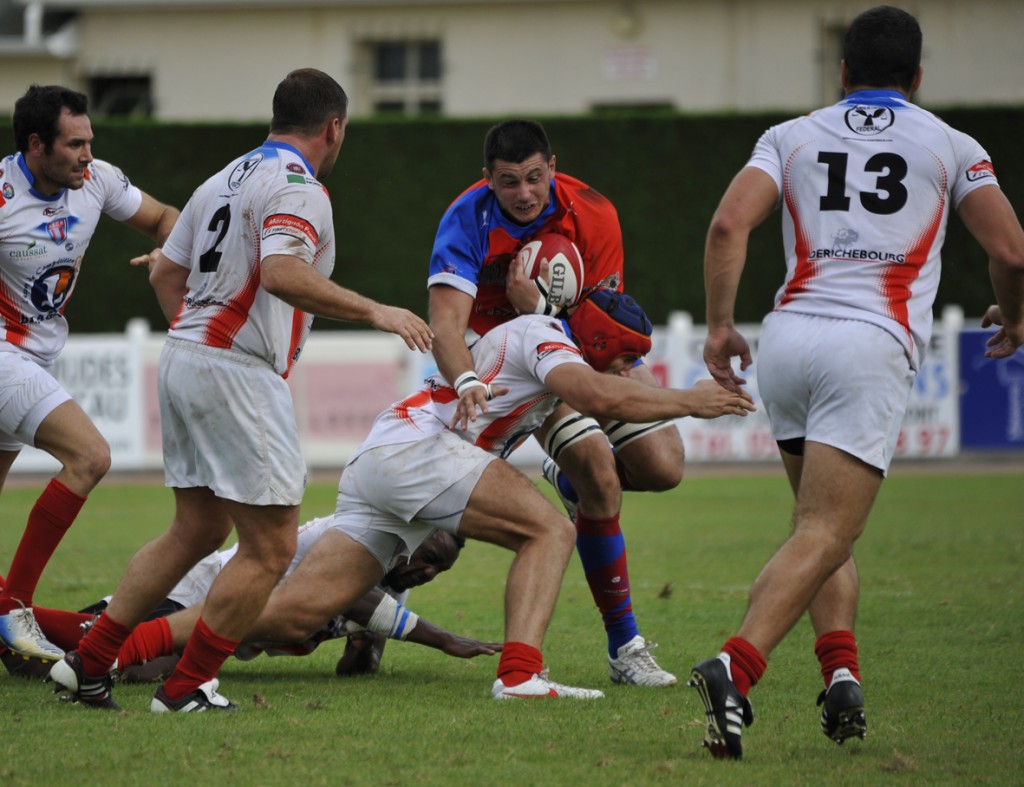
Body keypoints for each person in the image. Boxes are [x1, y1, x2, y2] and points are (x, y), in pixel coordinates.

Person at [688, 5, 1024, 760]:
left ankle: (841, 672)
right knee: (827, 530)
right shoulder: (953, 143)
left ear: (841, 74)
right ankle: (732, 668)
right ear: (918, 77)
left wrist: (718, 325)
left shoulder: (791, 135)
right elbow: (1011, 249)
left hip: (789, 337)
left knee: (816, 525)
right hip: (868, 343)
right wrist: (1018, 315)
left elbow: (724, 226)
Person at [48, 68, 434, 713]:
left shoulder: (224, 175)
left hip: (185, 356)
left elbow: (166, 271)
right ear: (334, 127)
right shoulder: (300, 188)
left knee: (195, 529)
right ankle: (186, 686)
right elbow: (282, 272)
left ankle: (88, 661)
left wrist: (198, 338)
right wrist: (377, 311)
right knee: (273, 545)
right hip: (232, 369)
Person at [201, 286, 750, 702]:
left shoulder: (542, 336)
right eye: (628, 359)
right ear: (601, 340)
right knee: (550, 530)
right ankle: (520, 675)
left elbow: (592, 390)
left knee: (296, 614)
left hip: (384, 456)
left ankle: (132, 638)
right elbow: (596, 395)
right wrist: (690, 402)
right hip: (417, 450)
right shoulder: (546, 338)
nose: (632, 372)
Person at [428, 119, 688, 687]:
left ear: (553, 165)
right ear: (487, 180)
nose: (523, 194)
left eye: (534, 178)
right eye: (508, 182)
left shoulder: (594, 213)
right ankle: (626, 650)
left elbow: (603, 325)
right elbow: (445, 326)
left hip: (571, 346)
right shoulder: (465, 218)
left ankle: (566, 482)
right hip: (499, 364)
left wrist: (540, 306)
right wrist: (469, 377)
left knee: (665, 467)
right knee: (434, 531)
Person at [0, 85, 179, 662]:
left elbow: (166, 218)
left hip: (36, 355)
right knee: (91, 457)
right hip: (4, 353)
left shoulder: (98, 180)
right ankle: (14, 610)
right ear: (36, 145)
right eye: (75, 143)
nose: (87, 154)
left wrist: (167, 250)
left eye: (90, 141)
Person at [5, 527, 495, 681]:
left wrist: (365, 649)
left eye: (439, 570)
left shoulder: (395, 590)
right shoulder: (359, 541)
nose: (427, 573)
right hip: (197, 594)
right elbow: (357, 600)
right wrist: (445, 640)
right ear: (410, 538)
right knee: (108, 652)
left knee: (76, 667)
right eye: (428, 559)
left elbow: (357, 664)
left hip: (226, 632)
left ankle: (16, 636)